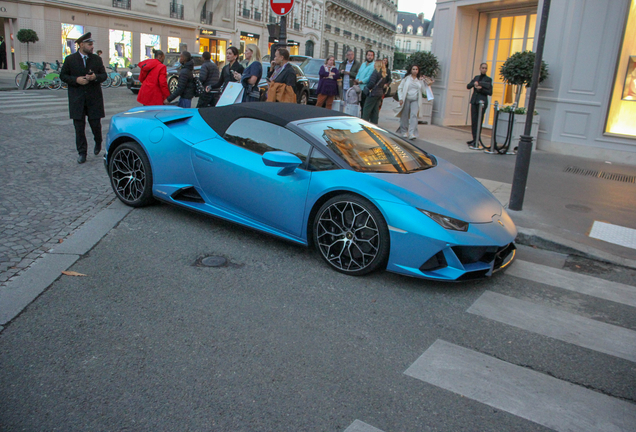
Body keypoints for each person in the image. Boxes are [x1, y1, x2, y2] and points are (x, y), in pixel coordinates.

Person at [59, 32, 107, 164]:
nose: (92, 47)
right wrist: (76, 80)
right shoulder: (70, 59)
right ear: (81, 45)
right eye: (89, 44)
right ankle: (82, 152)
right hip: (77, 99)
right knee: (79, 128)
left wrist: (95, 77)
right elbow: (63, 76)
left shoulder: (96, 59)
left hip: (93, 98)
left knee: (95, 125)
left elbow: (104, 75)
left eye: (92, 44)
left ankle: (98, 141)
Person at [395, 64, 434, 140]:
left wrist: (427, 82)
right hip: (406, 99)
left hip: (415, 100)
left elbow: (423, 90)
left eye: (416, 69)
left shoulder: (420, 80)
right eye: (413, 69)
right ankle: (404, 131)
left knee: (414, 115)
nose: (415, 71)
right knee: (404, 115)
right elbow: (400, 88)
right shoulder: (406, 79)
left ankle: (411, 132)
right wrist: (401, 98)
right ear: (411, 70)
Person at [466, 62, 492, 149]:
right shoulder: (476, 78)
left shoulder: (488, 79)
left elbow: (490, 92)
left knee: (479, 121)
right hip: (474, 101)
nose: (484, 69)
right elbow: (468, 86)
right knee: (474, 121)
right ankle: (474, 139)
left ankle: (477, 139)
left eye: (485, 68)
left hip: (482, 102)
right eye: (483, 68)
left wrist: (481, 89)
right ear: (480, 68)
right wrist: (474, 84)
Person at [361, 59, 387, 124]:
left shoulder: (375, 72)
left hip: (373, 93)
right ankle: (374, 125)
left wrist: (366, 88)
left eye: (375, 64)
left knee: (366, 110)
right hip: (379, 93)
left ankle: (364, 124)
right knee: (375, 111)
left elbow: (372, 83)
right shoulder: (383, 73)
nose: (374, 65)